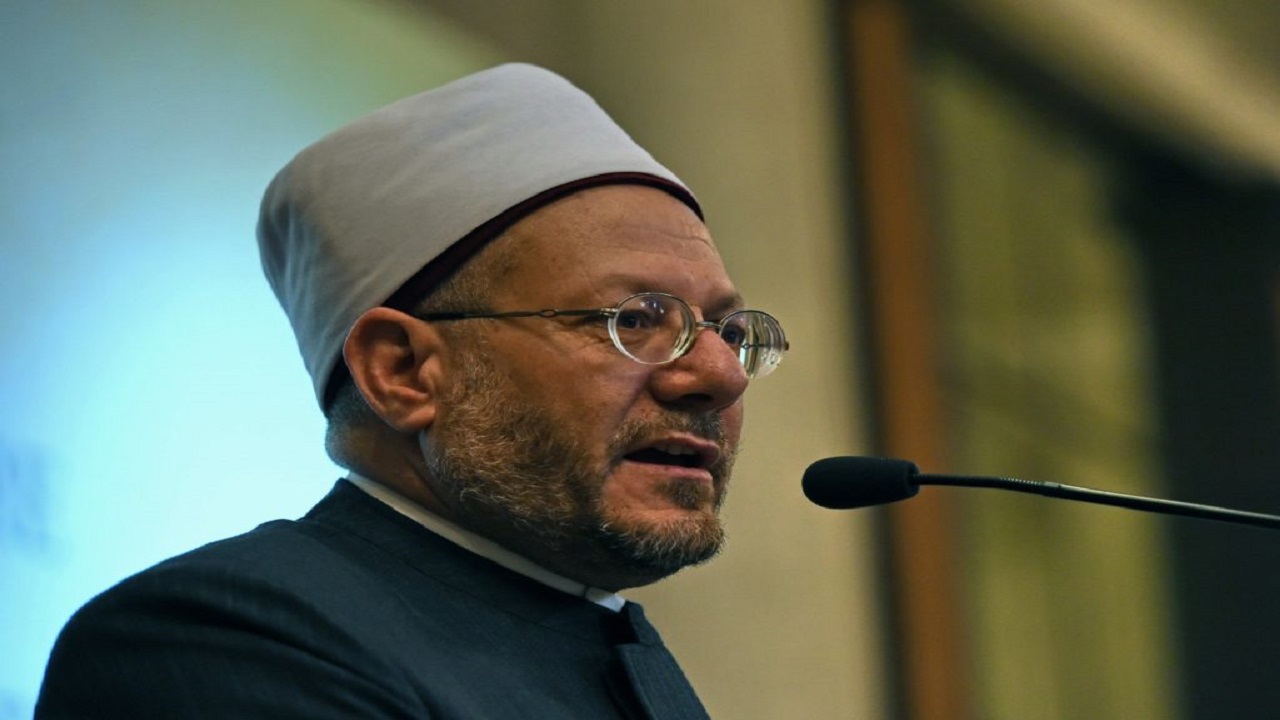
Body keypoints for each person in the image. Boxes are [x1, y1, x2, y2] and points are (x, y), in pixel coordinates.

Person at [35, 63, 787, 719]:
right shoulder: (224, 640)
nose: (720, 375)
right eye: (636, 319)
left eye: (726, 331)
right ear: (402, 372)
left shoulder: (599, 636)